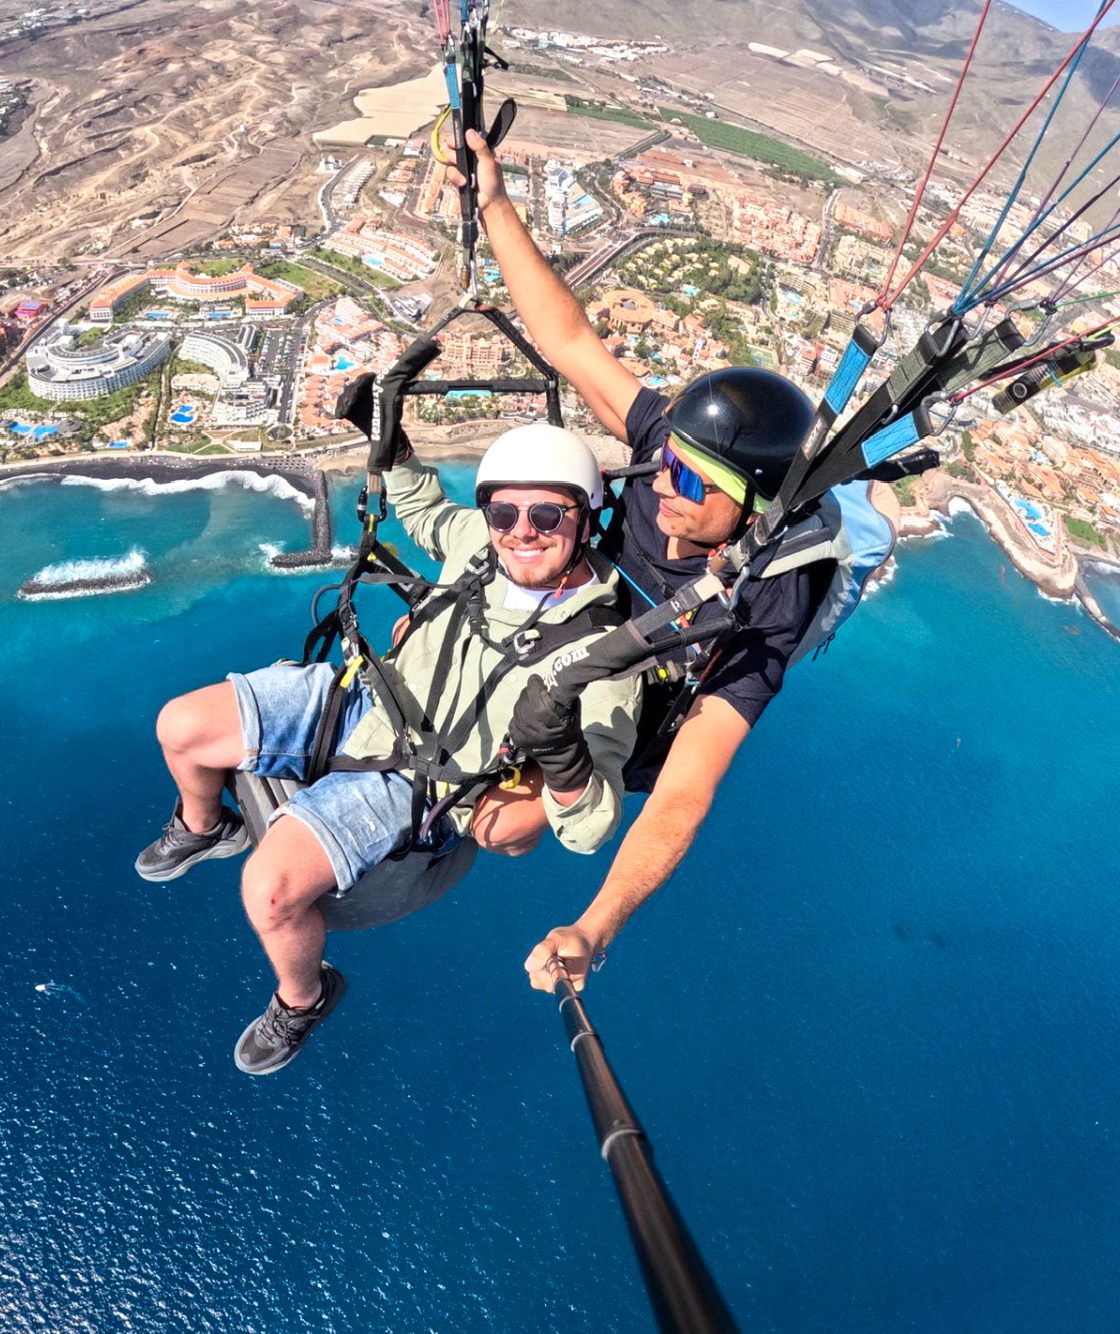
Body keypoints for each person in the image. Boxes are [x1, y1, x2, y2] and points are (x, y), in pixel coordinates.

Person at [454, 129, 846, 995]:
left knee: (500, 827)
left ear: (749, 506)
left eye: (692, 482)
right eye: (664, 462)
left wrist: (595, 927)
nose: (663, 485)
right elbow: (569, 338)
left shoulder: (770, 598)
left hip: (634, 706)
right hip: (576, 634)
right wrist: (493, 201)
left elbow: (684, 789)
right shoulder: (674, 444)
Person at [134, 417, 642, 1074]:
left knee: (269, 891)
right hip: (369, 699)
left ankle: (303, 998)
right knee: (180, 726)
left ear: (585, 517)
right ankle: (205, 824)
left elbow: (592, 823)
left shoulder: (604, 652)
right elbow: (429, 512)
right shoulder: (480, 546)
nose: (521, 530)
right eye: (504, 511)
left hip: (420, 779)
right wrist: (393, 446)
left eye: (547, 514)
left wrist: (565, 758)